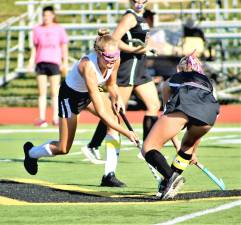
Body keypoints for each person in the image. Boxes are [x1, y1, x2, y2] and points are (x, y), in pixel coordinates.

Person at [23, 31, 139, 188]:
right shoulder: (88, 67)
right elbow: (102, 114)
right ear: (99, 53)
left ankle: (109, 175)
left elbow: (111, 84)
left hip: (88, 95)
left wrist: (117, 98)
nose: (112, 60)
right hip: (70, 98)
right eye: (108, 57)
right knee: (63, 148)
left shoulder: (115, 59)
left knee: (114, 122)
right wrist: (128, 133)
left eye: (115, 55)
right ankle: (31, 153)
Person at [81, 0, 161, 164]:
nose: (139, 2)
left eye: (142, 0)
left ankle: (148, 148)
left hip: (140, 67)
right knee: (116, 111)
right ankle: (93, 145)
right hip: (128, 66)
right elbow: (115, 40)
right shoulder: (130, 17)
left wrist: (149, 48)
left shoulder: (142, 17)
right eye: (135, 0)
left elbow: (143, 40)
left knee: (154, 105)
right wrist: (134, 50)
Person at [142, 51, 220, 200]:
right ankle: (167, 184)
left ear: (179, 69)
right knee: (187, 147)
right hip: (210, 116)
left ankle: (171, 178)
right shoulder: (208, 83)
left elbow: (167, 115)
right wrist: (192, 152)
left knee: (148, 148)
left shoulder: (172, 80)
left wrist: (175, 142)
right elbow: (203, 116)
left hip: (185, 107)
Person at [28, 6, 69, 127]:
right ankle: (42, 118)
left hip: (54, 62)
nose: (46, 18)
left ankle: (56, 118)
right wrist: (31, 60)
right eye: (44, 15)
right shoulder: (37, 29)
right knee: (42, 92)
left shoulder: (59, 29)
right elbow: (35, 47)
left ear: (53, 16)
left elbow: (64, 46)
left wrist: (64, 62)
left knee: (54, 92)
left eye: (48, 15)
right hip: (41, 62)